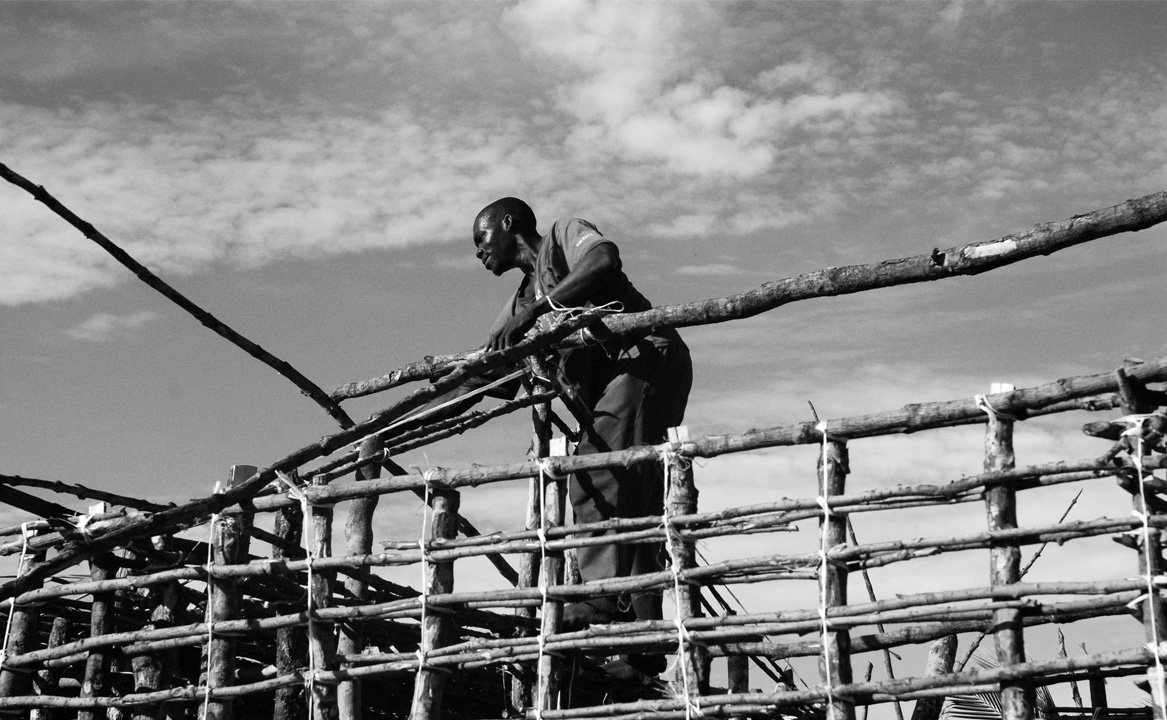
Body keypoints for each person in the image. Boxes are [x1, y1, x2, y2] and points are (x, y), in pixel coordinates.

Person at [470, 197, 692, 641]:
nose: (478, 252)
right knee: (636, 506)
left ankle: (604, 597)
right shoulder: (519, 301)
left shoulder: (561, 238)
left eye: (481, 239)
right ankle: (641, 643)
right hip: (629, 376)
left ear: (508, 223)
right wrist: (405, 420)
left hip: (645, 356)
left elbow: (605, 259)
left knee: (595, 471)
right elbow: (486, 377)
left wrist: (539, 310)